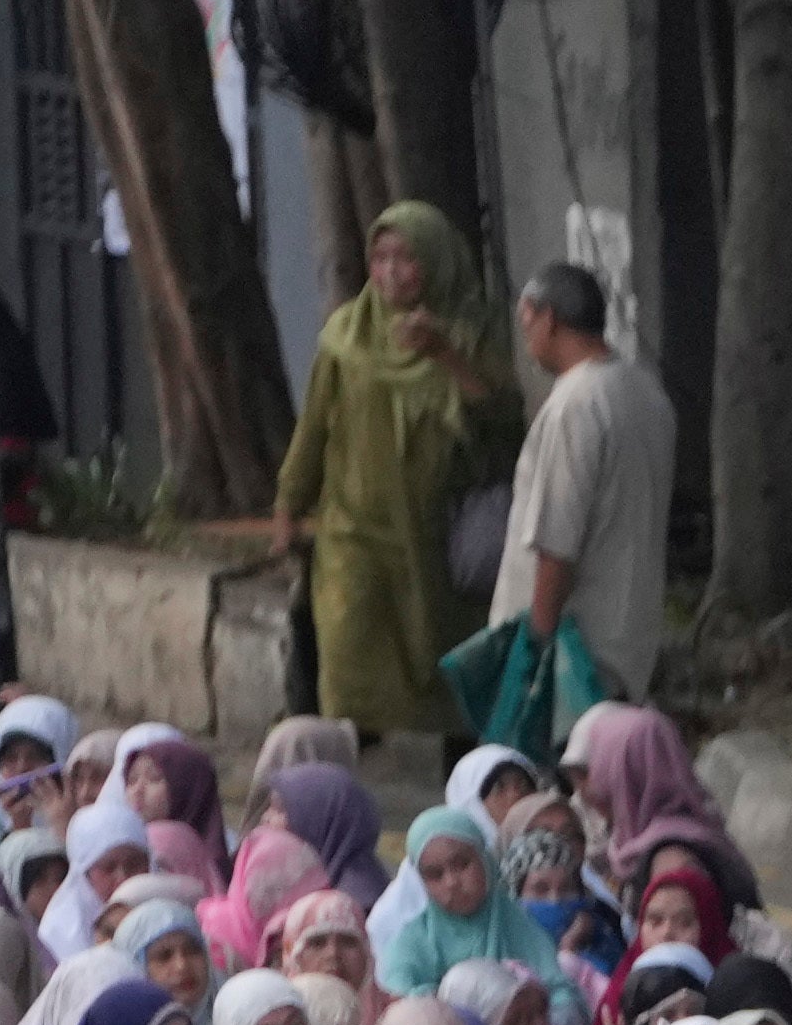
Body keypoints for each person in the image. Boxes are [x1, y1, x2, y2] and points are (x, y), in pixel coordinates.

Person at [274, 206, 520, 736]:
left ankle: (462, 780)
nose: (390, 273)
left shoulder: (472, 334)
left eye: (406, 259)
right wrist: (289, 506)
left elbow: (502, 428)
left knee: (447, 666)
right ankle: (339, 778)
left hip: (439, 535)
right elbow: (314, 427)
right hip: (354, 532)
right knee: (345, 658)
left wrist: (446, 356)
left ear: (437, 263)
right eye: (380, 258)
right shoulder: (345, 337)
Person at [450, 264, 679, 746]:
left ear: (547, 318)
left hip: (574, 650)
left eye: (525, 320)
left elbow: (557, 538)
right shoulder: (646, 393)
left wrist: (535, 647)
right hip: (630, 636)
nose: (525, 335)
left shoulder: (574, 406)